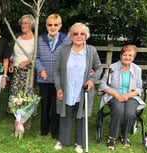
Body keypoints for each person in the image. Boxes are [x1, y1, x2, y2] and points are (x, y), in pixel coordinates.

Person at [53, 22, 103, 152]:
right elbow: (57, 71)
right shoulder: (64, 50)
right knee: (65, 115)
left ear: (86, 36)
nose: (79, 36)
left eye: (82, 33)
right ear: (71, 36)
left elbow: (99, 68)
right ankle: (62, 140)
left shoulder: (91, 51)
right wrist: (59, 88)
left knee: (81, 115)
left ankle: (79, 143)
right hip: (67, 89)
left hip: (83, 91)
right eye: (75, 33)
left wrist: (92, 81)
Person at [99, 45, 145, 150]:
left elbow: (139, 88)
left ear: (134, 57)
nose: (127, 57)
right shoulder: (112, 68)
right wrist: (116, 95)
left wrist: (128, 96)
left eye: (130, 55)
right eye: (125, 54)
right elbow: (103, 85)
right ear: (121, 55)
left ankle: (124, 136)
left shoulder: (137, 69)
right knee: (119, 110)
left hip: (131, 97)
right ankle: (112, 137)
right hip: (114, 95)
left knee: (129, 113)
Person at [35, 13, 71, 139]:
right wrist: (41, 70)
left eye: (55, 25)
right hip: (43, 79)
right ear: (46, 26)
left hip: (59, 79)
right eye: (50, 25)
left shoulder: (66, 40)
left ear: (60, 26)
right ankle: (44, 130)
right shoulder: (40, 39)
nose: (53, 27)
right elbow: (36, 58)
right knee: (45, 105)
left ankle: (55, 131)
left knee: (56, 105)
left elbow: (70, 58)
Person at [8, 14, 35, 130]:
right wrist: (11, 62)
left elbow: (36, 56)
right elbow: (13, 53)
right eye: (22, 23)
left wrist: (27, 62)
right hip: (17, 71)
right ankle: (18, 119)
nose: (24, 25)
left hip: (28, 72)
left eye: (26, 23)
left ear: (32, 25)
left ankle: (27, 120)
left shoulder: (35, 39)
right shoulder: (17, 37)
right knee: (16, 95)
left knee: (27, 95)